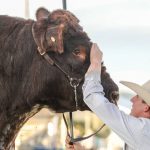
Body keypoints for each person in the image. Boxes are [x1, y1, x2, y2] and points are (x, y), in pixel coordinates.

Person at [65, 43, 150, 150]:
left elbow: (92, 96)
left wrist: (95, 62)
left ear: (146, 107)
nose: (131, 99)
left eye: (137, 96)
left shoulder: (143, 130)